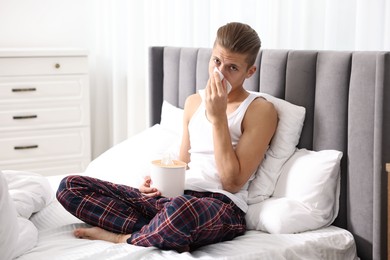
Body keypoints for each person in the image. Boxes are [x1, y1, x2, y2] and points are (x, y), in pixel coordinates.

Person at [56, 22, 278, 252]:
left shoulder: (260, 110)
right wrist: (156, 179)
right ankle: (159, 229)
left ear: (249, 72)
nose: (220, 73)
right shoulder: (193, 102)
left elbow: (232, 183)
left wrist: (218, 117)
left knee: (182, 212)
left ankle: (122, 238)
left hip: (218, 206)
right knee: (70, 186)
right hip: (173, 200)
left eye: (232, 68)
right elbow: (182, 164)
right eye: (216, 61)